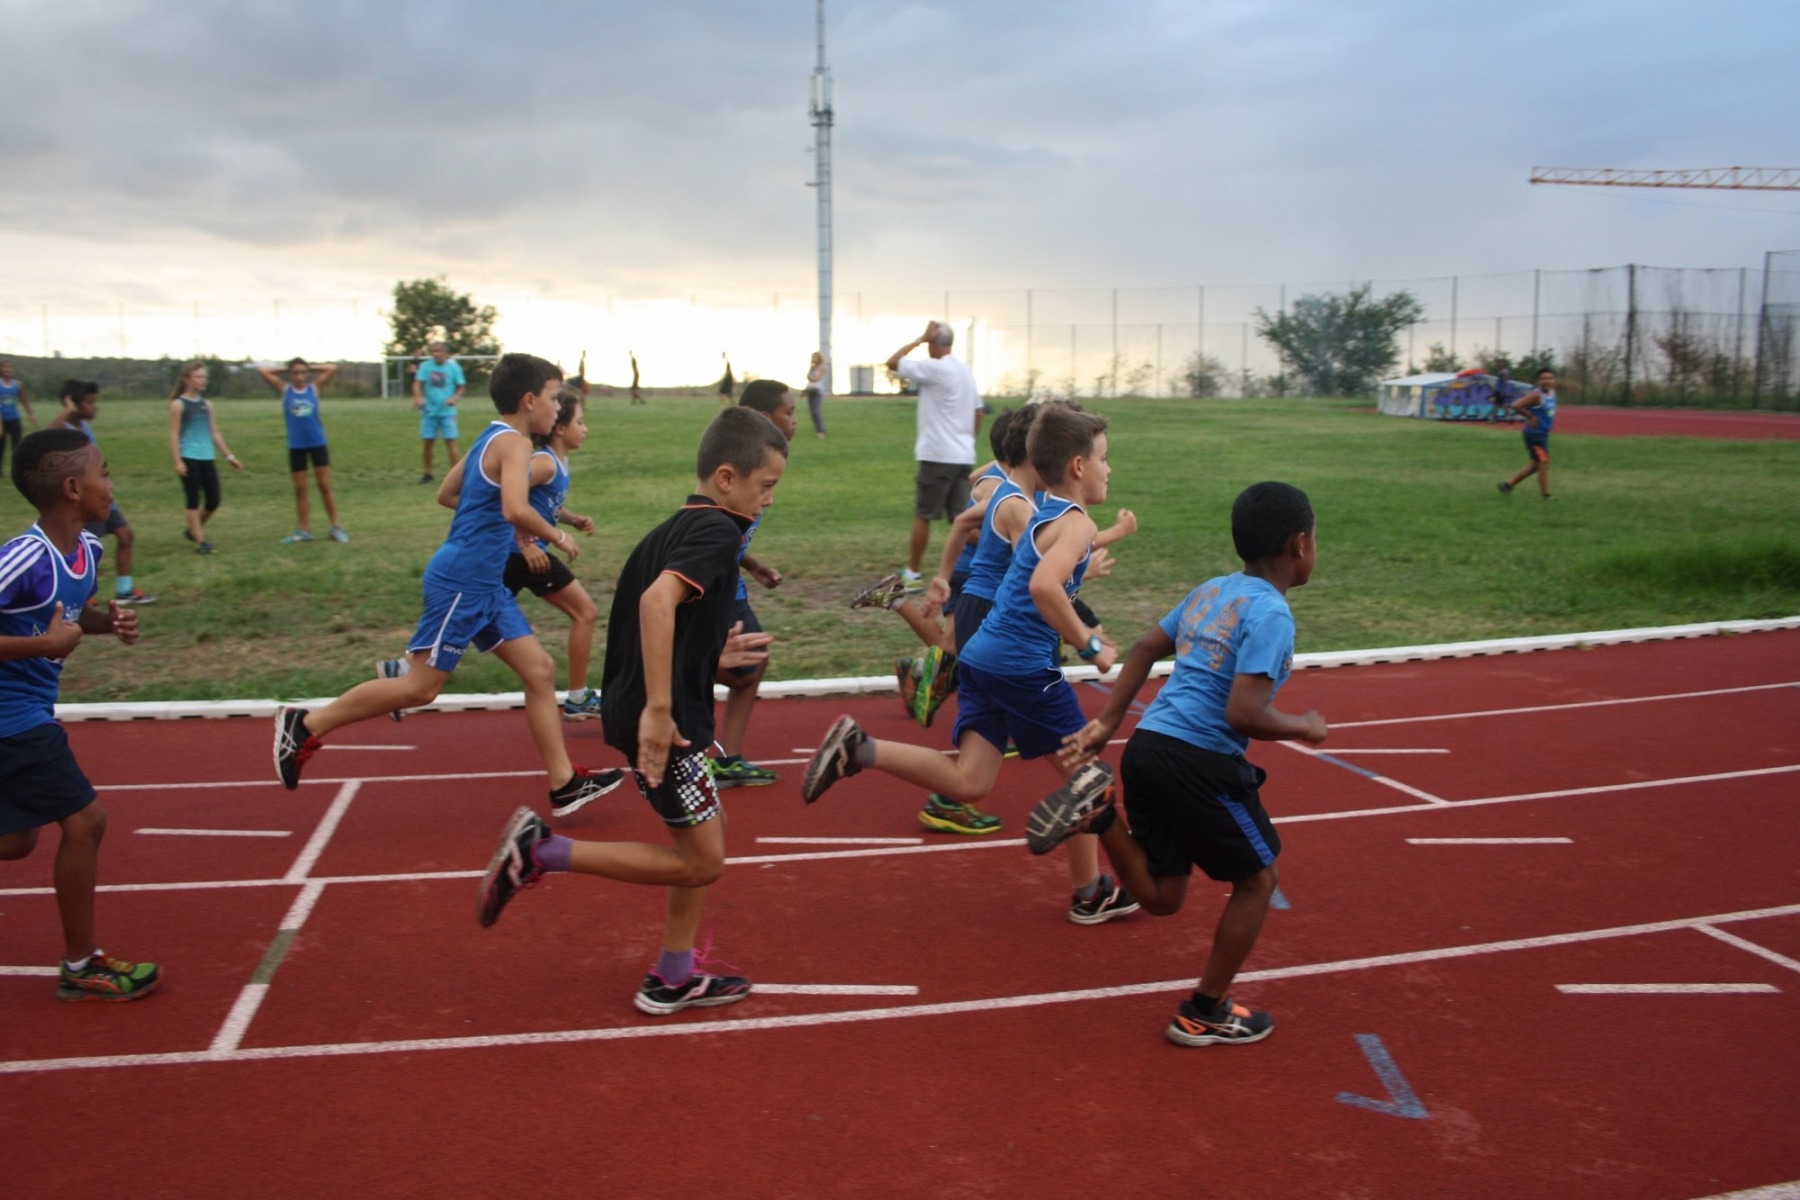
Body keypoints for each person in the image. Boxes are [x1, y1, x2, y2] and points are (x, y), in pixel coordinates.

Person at [476, 405, 790, 1017]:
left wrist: (709, 657)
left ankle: (673, 973)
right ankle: (540, 851)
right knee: (703, 861)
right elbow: (655, 604)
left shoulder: (673, 528)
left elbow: (656, 623)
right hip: (666, 726)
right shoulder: (719, 532)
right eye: (766, 485)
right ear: (727, 478)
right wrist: (660, 711)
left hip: (643, 709)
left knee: (708, 835)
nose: (769, 500)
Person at [801, 404, 1140, 925]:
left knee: (970, 780)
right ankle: (1090, 892)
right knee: (1088, 776)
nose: (1109, 468)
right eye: (1104, 458)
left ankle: (859, 748)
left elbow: (1029, 577)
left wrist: (1078, 589)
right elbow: (1042, 585)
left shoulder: (1040, 511)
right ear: (1078, 466)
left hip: (983, 657)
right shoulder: (1072, 521)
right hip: (1022, 666)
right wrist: (1090, 645)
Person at [1027, 481, 1327, 1047]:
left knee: (1163, 897)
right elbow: (1244, 714)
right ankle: (1204, 1010)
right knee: (1258, 880)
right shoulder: (1272, 614)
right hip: (1199, 761)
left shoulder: (1212, 591)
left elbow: (1144, 646)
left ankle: (1100, 813)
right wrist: (1303, 725)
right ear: (1299, 544)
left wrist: (1109, 721)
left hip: (1148, 747)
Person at [273, 353, 624, 818]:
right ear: (528, 400)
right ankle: (304, 725)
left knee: (539, 671)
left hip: (486, 583)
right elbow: (515, 508)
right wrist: (557, 536)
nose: (559, 407)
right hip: (463, 581)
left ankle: (563, 784)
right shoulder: (517, 444)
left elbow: (447, 493)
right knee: (420, 688)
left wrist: (487, 521)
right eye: (554, 397)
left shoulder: (488, 437)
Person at [0, 428, 158, 1001]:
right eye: (104, 472)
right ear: (72, 488)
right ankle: (81, 963)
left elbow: (71, 613)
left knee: (16, 841)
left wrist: (106, 623)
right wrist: (42, 646)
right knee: (86, 822)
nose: (111, 484)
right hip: (12, 717)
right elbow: (49, 634)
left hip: (29, 710)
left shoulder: (88, 550)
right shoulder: (23, 556)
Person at [707, 379, 797, 787]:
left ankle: (727, 757)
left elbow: (732, 540)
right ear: (762, 419)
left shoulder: (760, 468)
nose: (794, 421)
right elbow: (709, 536)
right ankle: (667, 682)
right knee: (741, 663)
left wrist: (754, 565)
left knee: (753, 661)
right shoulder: (737, 474)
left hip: (733, 585)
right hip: (716, 590)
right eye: (788, 413)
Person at [505, 385, 605, 720]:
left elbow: (545, 504)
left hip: (516, 556)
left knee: (473, 616)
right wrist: (525, 544)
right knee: (585, 612)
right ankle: (578, 697)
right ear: (560, 428)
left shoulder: (558, 463)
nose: (585, 429)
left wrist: (571, 519)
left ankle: (404, 668)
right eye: (580, 422)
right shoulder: (544, 463)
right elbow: (508, 496)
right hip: (521, 555)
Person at [888, 320, 982, 587]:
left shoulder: (935, 368)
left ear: (934, 344)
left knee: (924, 514)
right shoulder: (965, 371)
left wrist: (919, 339)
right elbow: (978, 412)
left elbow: (893, 362)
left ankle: (913, 574)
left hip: (937, 454)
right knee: (963, 520)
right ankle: (1002, 556)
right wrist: (968, 441)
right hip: (963, 455)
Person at [53, 381, 153, 605]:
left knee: (126, 536)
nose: (94, 407)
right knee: (87, 548)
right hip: (84, 499)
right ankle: (81, 597)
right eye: (89, 403)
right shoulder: (64, 429)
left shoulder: (84, 426)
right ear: (74, 404)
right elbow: (46, 434)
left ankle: (124, 591)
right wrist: (67, 410)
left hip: (102, 494)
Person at [257, 358, 348, 544]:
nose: (299, 376)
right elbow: (263, 371)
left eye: (303, 372)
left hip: (317, 443)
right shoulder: (285, 390)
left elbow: (332, 368)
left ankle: (335, 527)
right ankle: (303, 530)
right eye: (295, 373)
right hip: (296, 446)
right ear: (290, 374)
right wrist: (286, 369)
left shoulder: (313, 389)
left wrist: (310, 367)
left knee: (324, 485)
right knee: (300, 489)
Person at [167, 361, 243, 555]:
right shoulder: (178, 405)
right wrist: (178, 461)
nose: (203, 380)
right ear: (187, 380)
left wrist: (229, 456)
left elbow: (214, 432)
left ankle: (193, 530)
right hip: (188, 456)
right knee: (193, 499)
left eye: (204, 377)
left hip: (206, 457)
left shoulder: (207, 405)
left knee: (213, 500)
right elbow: (174, 434)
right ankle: (200, 541)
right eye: (198, 377)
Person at [1498, 367, 1558, 499]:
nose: (1547, 381)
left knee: (1535, 465)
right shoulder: (1536, 395)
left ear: (1554, 380)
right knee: (1544, 462)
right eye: (1543, 379)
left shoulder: (1552, 393)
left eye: (1549, 378)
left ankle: (1508, 485)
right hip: (1535, 434)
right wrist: (1530, 416)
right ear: (1538, 381)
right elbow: (1516, 405)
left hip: (1543, 433)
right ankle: (1546, 495)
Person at [412, 341, 465, 484]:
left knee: (451, 442)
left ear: (446, 353)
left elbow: (461, 386)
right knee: (428, 443)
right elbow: (417, 384)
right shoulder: (425, 367)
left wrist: (455, 398)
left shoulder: (453, 368)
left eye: (439, 351)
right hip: (429, 412)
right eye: (433, 351)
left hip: (448, 412)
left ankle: (456, 477)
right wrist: (418, 397)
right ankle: (428, 473)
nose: (436, 354)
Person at [0, 358, 38, 477]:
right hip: (1, 419)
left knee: (17, 445)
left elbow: (24, 400)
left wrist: (31, 414)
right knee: (1, 445)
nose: (7, 369)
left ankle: (17, 470)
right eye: (4, 367)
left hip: (14, 419)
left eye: (9, 367)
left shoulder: (17, 385)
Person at [804, 351, 827, 437]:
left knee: (816, 412)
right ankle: (817, 430)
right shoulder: (812, 367)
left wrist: (811, 378)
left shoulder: (821, 367)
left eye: (815, 357)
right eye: (813, 357)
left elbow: (816, 379)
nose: (814, 359)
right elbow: (808, 377)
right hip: (810, 390)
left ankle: (821, 431)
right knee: (812, 413)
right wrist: (811, 375)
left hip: (817, 391)